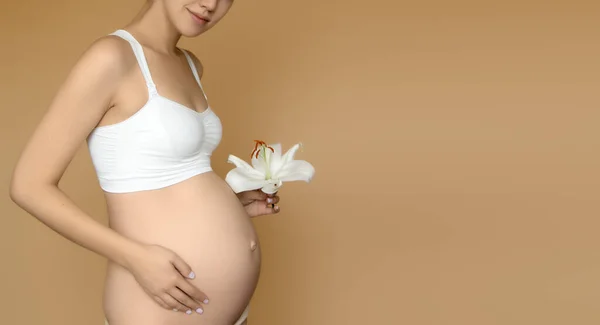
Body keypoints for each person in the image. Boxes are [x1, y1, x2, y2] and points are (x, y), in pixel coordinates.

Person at [9, 0, 281, 324]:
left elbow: (165, 176)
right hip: (158, 309)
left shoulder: (190, 65)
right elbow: (28, 186)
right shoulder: (112, 57)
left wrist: (230, 206)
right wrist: (135, 258)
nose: (211, 4)